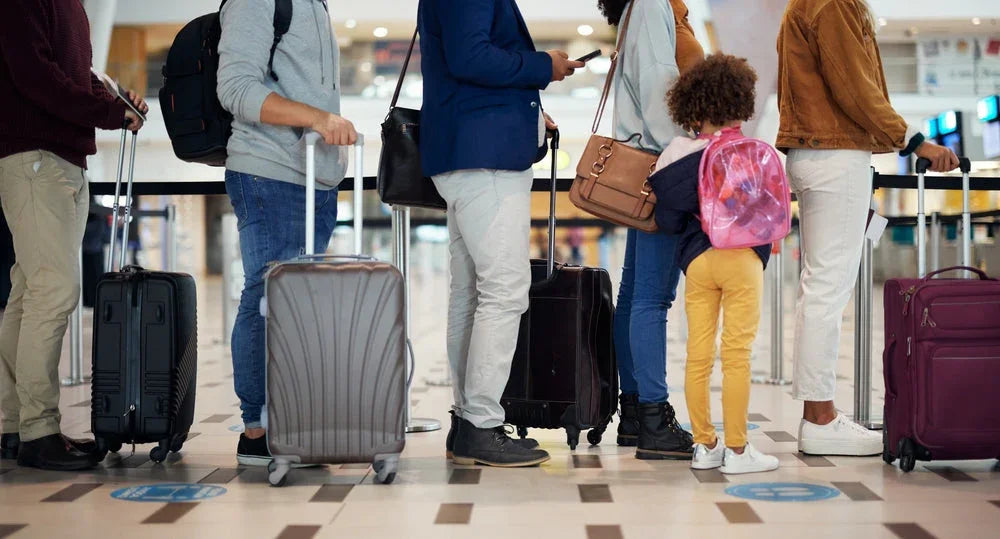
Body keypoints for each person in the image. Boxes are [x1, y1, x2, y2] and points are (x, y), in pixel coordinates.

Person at [777, 0, 959, 456]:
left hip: (819, 152)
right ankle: (820, 418)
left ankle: (818, 413)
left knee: (819, 286)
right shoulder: (833, 2)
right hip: (834, 155)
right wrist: (913, 140)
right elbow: (854, 85)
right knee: (827, 288)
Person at [419, 0, 583, 467]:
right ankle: (481, 423)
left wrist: (528, 116)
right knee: (505, 290)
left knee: (472, 293)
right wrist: (542, 66)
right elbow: (471, 57)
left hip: (469, 153)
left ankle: (469, 420)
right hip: (483, 160)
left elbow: (467, 61)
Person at [0, 0, 147, 471]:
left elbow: (73, 73)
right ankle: (39, 432)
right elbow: (35, 76)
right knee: (54, 290)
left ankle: (16, 425)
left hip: (60, 159)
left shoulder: (72, 6)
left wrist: (115, 100)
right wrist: (105, 113)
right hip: (35, 156)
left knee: (28, 293)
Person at [217, 0, 357, 466]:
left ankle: (292, 420)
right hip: (269, 172)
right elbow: (235, 88)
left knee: (294, 305)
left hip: (314, 176)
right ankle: (257, 431)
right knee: (265, 295)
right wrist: (315, 118)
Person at [651, 53, 780, 474]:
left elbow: (666, 219)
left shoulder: (677, 152)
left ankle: (705, 446)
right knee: (737, 355)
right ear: (740, 101)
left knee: (698, 355)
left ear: (690, 105)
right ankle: (739, 452)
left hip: (699, 262)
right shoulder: (754, 151)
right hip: (743, 261)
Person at [597, 0, 703, 459]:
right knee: (652, 298)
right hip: (664, 165)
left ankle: (637, 412)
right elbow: (661, 90)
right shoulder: (653, 4)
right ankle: (655, 417)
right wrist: (685, 157)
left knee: (635, 294)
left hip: (652, 161)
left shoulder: (647, 6)